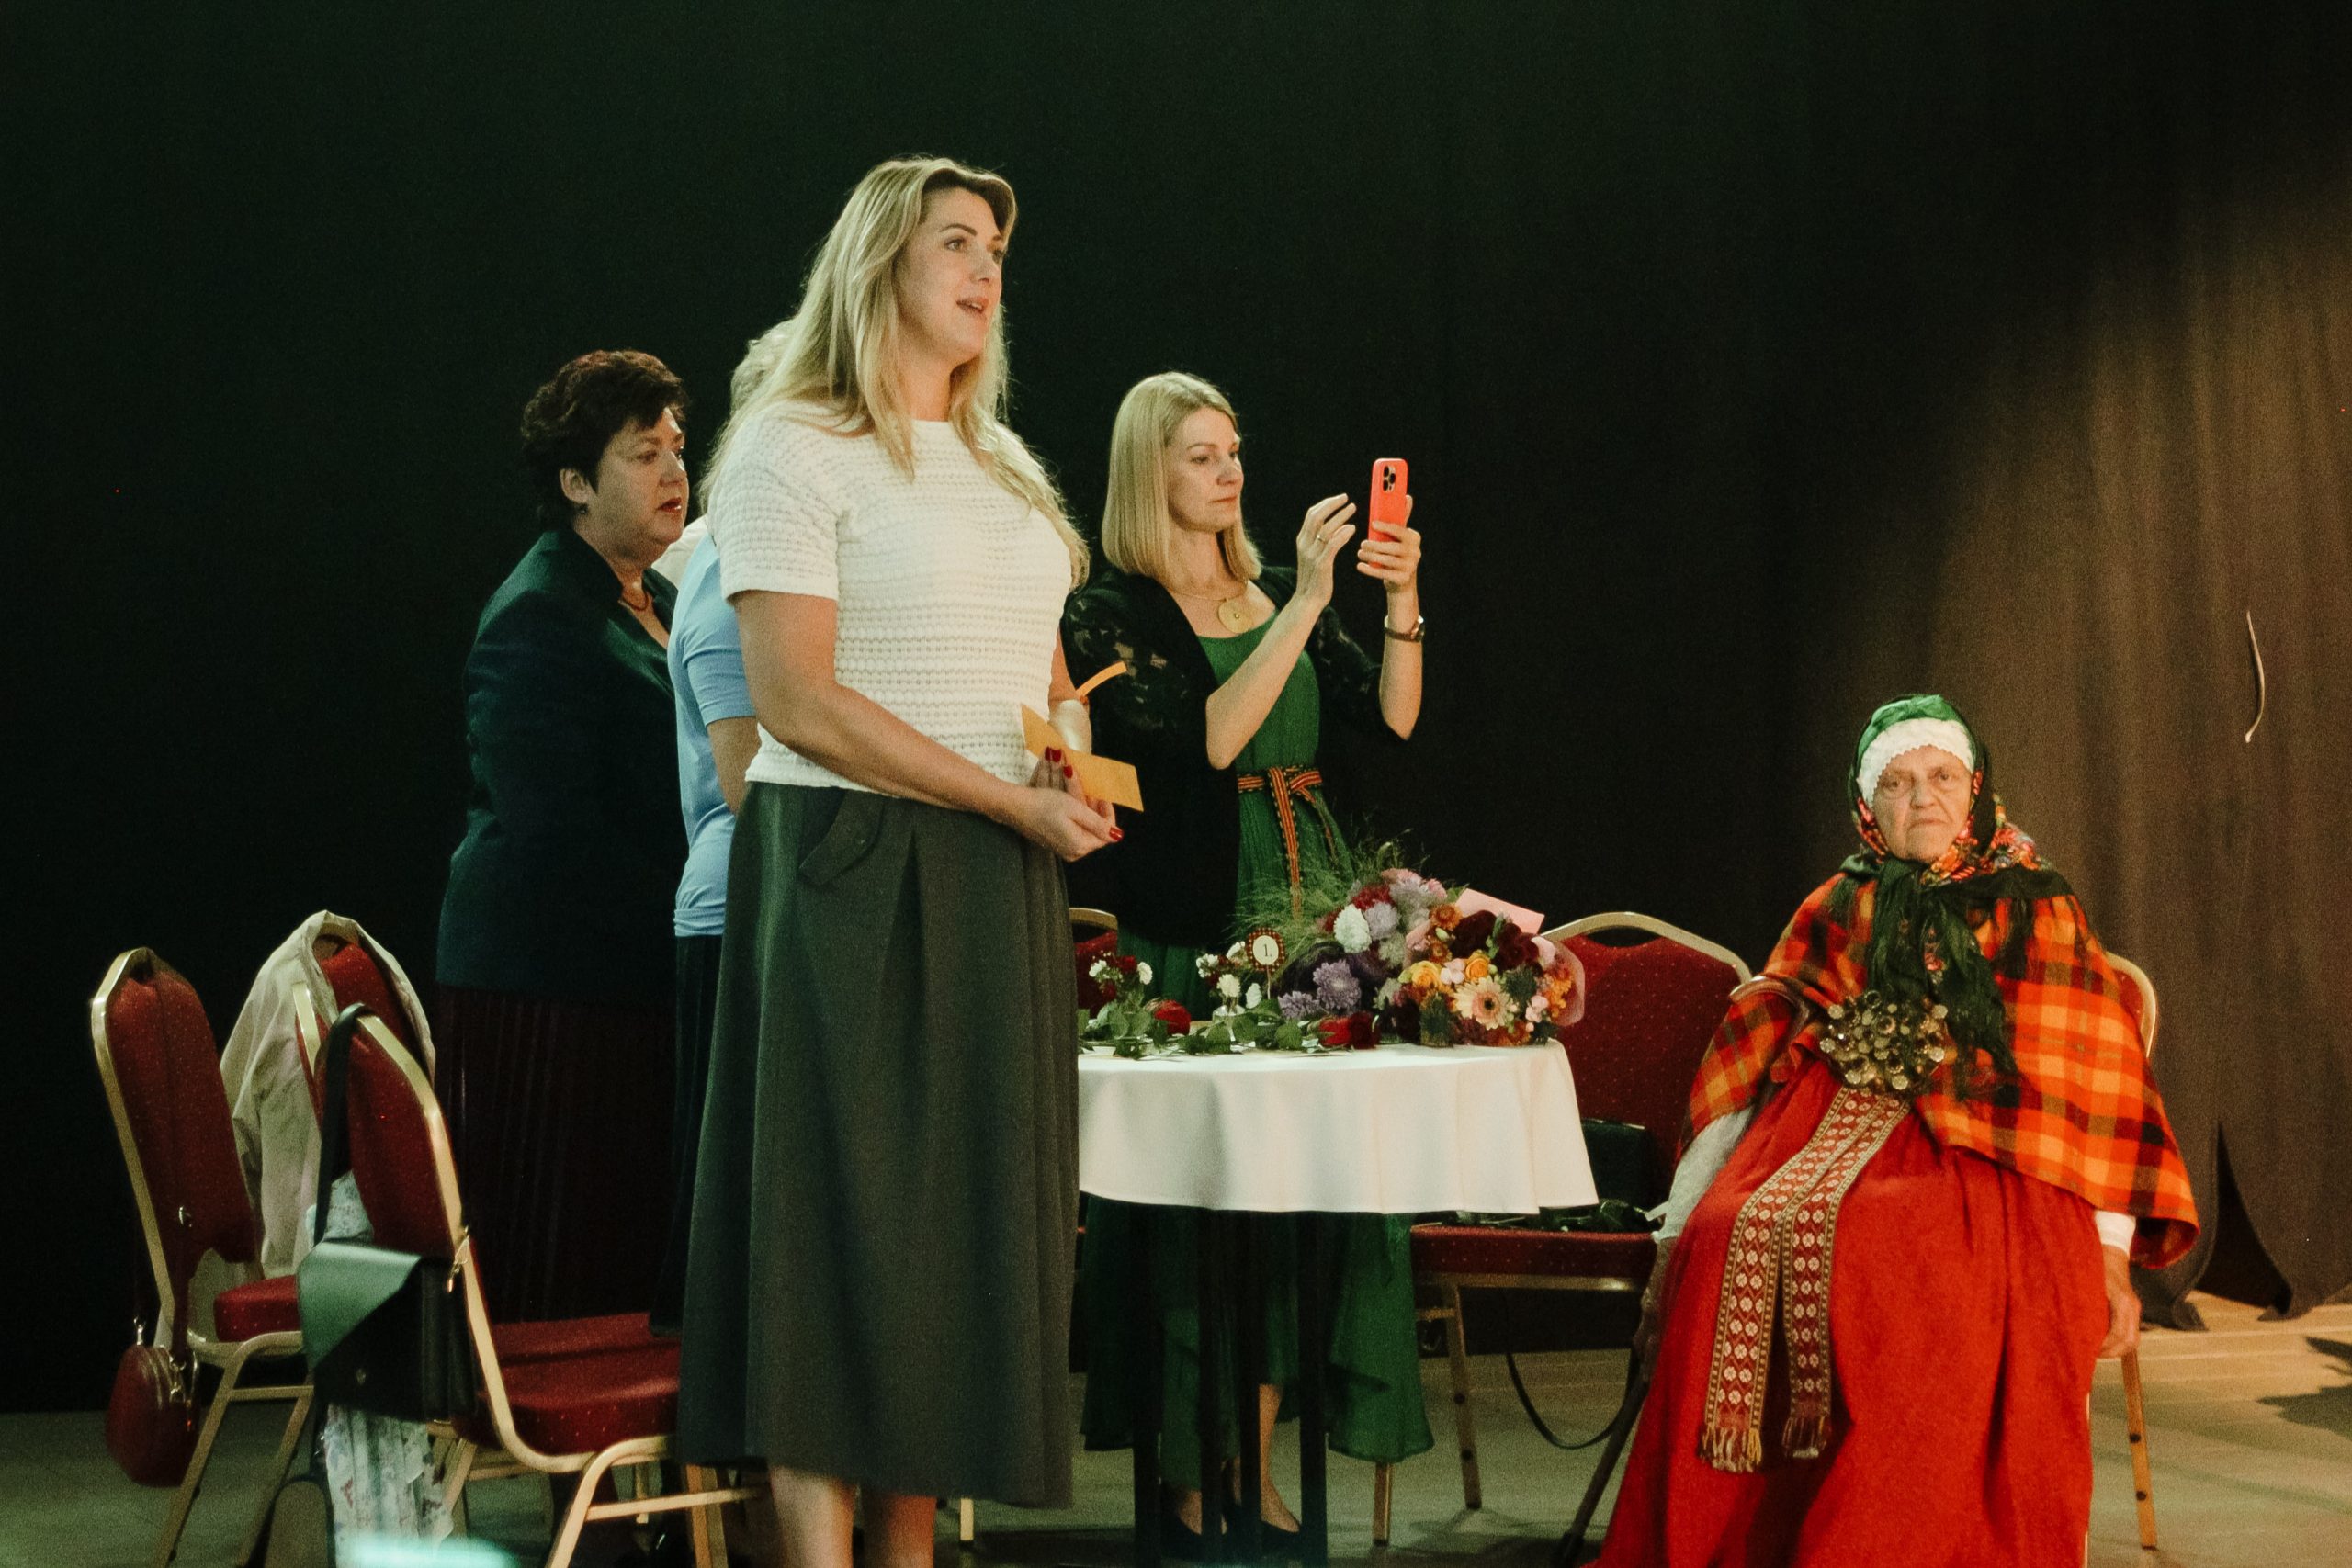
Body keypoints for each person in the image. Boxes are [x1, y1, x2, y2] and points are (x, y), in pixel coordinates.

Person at [674, 158, 1114, 1568]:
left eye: (999, 250)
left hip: (998, 867)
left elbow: (1042, 672)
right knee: (837, 1232)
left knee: (953, 1243)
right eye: (958, 243)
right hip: (849, 867)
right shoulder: (790, 444)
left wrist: (1066, 759)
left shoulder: (1002, 461)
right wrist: (1003, 798)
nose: (989, 271)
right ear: (879, 266)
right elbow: (796, 700)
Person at [1599, 694, 2199, 1567]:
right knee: (1730, 1231)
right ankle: (1741, 1538)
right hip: (1823, 1127)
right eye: (1899, 782)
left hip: (1995, 1149)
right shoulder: (1839, 901)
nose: (1923, 798)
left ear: (1975, 788)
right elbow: (1762, 1031)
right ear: (1866, 806)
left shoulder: (2037, 903)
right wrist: (1684, 1217)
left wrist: (2110, 1248)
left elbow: (2098, 1081)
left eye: (1942, 777)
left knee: (1912, 1256)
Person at [1061, 370, 1430, 1546]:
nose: (1229, 473)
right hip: (1203, 919)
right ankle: (1187, 1466)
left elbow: (1393, 719)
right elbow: (1211, 742)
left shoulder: (1272, 593)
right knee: (1201, 1213)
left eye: (1233, 452)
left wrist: (1399, 598)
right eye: (1201, 456)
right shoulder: (1110, 612)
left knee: (1296, 1206)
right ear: (1149, 472)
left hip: (1313, 913)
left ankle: (1255, 1462)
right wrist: (1306, 600)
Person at [435, 349, 691, 1322]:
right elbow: (555, 841)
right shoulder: (540, 612)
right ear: (576, 482)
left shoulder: (662, 598)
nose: (674, 472)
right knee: (563, 1261)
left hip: (626, 979)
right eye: (643, 454)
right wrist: (692, 923)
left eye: (677, 448)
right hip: (548, 992)